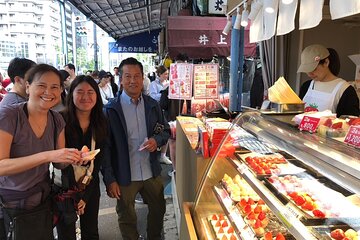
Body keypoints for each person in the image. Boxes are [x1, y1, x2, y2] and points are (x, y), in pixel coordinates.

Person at [0, 64, 83, 239]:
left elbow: (59, 164)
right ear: (28, 86)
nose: (48, 92)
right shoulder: (9, 115)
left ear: (61, 90)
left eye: (55, 87)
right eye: (42, 86)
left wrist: (73, 158)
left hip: (42, 203)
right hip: (11, 206)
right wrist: (48, 155)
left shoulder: (56, 119)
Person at [102, 57, 170, 240]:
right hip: (125, 175)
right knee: (126, 216)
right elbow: (105, 149)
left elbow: (166, 130)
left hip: (151, 171)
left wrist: (157, 140)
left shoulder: (152, 105)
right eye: (128, 76)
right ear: (121, 80)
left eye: (137, 76)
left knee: (158, 209)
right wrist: (110, 179)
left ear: (142, 78)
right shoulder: (110, 110)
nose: (133, 80)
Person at [56, 75, 108, 240]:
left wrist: (84, 197)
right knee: (66, 232)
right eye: (80, 92)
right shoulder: (60, 120)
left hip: (89, 185)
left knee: (91, 231)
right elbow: (58, 162)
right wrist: (75, 195)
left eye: (90, 92)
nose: (86, 97)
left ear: (97, 95)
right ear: (71, 95)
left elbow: (98, 162)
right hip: (64, 188)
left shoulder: (101, 122)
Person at [298, 44, 360, 117]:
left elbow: (350, 122)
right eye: (307, 70)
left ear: (326, 62)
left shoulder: (345, 90)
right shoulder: (306, 86)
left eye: (313, 69)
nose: (309, 74)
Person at [149, 65, 172, 165]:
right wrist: (164, 95)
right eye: (165, 74)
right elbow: (153, 96)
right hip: (156, 110)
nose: (166, 76)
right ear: (159, 74)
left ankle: (163, 155)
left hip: (167, 110)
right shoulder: (153, 84)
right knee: (156, 131)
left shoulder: (169, 83)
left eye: (167, 74)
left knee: (166, 130)